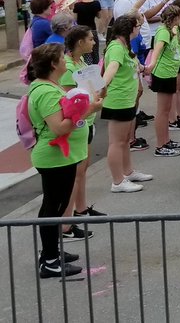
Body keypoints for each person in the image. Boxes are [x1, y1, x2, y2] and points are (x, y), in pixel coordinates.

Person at [27, 43, 104, 278]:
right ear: (53, 64)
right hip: (54, 159)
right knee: (53, 208)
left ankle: (51, 252)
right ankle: (50, 261)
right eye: (61, 57)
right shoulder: (46, 92)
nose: (65, 60)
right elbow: (59, 127)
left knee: (56, 206)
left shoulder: (52, 86)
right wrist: (89, 110)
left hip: (63, 157)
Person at [101, 15, 153, 193]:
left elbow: (135, 65)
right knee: (116, 142)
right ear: (129, 29)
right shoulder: (116, 47)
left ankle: (128, 172)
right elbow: (112, 68)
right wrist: (102, 86)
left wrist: (145, 68)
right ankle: (117, 181)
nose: (139, 29)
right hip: (118, 101)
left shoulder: (125, 46)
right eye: (137, 26)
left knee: (124, 140)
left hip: (128, 100)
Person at [60, 26, 104, 226]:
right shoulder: (68, 67)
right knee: (75, 173)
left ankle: (81, 209)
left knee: (83, 169)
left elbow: (94, 88)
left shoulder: (82, 62)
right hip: (78, 125)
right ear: (80, 42)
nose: (94, 43)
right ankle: (67, 222)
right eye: (90, 39)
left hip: (87, 122)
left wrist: (100, 92)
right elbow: (68, 102)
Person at [144, 4, 180, 157]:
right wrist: (151, 64)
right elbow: (157, 50)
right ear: (175, 18)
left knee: (167, 110)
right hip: (163, 75)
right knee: (162, 111)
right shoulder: (163, 32)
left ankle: (166, 140)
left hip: (170, 73)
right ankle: (160, 145)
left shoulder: (171, 30)